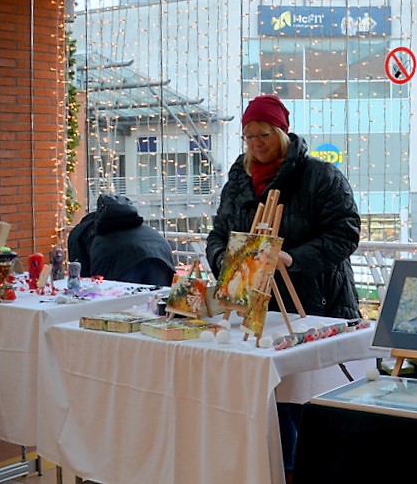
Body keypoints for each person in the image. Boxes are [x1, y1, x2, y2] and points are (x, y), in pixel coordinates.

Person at [206, 94, 361, 483]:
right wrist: (225, 261)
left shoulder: (319, 176)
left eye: (264, 134)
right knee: (266, 402)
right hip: (257, 310)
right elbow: (218, 233)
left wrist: (294, 258)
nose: (256, 143)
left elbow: (346, 232)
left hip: (314, 304)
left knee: (307, 403)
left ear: (282, 133)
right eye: (249, 136)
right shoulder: (238, 179)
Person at [67, 193, 177, 286]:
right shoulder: (138, 225)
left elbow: (80, 272)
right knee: (157, 301)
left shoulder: (82, 231)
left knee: (123, 302)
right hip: (160, 256)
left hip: (120, 263)